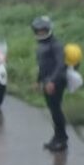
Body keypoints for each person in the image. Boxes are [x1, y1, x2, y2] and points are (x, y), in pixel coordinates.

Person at [32, 15, 69, 153]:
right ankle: (57, 137)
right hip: (47, 81)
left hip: (56, 81)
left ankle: (62, 139)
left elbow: (60, 65)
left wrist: (52, 81)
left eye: (43, 30)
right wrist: (38, 81)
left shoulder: (56, 45)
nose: (41, 33)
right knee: (52, 110)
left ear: (48, 29)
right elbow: (43, 66)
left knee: (56, 109)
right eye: (38, 30)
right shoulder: (42, 45)